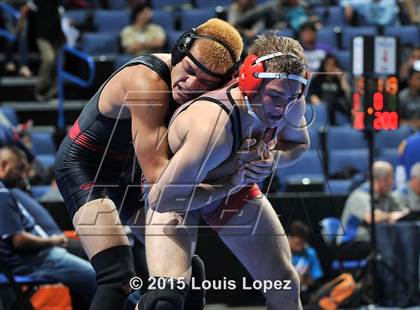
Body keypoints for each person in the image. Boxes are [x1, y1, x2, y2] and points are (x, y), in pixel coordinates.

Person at [55, 18, 244, 310]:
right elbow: (161, 177)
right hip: (87, 165)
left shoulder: (204, 94)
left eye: (205, 83)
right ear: (180, 52)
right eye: (190, 71)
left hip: (132, 170)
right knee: (118, 276)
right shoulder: (148, 81)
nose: (190, 84)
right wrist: (231, 180)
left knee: (185, 271)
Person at [140, 33, 310, 309]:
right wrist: (231, 182)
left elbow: (299, 144)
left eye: (292, 97)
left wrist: (271, 159)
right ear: (250, 82)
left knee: (284, 285)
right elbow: (161, 200)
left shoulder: (291, 100)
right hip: (175, 193)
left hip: (230, 187)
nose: (282, 108)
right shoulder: (214, 128)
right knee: (166, 298)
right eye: (275, 96)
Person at [0, 146, 96, 308]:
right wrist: (52, 241)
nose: (23, 175)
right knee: (103, 280)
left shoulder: (6, 192)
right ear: (3, 165)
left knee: (94, 269)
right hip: (38, 259)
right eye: (19, 169)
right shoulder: (2, 194)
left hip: (39, 255)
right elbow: (19, 240)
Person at [337, 161, 408, 260]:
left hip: (374, 240)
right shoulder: (359, 196)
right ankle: (382, 275)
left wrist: (401, 214)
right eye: (391, 178)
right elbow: (371, 217)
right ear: (382, 180)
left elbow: (404, 213)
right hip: (352, 243)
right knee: (385, 246)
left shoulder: (387, 197)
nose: (393, 182)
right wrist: (390, 216)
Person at [17, 0, 64, 101]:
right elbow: (25, 10)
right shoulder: (37, 1)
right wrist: (19, 28)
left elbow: (60, 17)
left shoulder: (59, 3)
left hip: (55, 36)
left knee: (58, 63)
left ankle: (52, 92)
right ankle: (40, 88)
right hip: (42, 36)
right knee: (49, 58)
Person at [307, 54, 351, 125]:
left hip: (336, 109)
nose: (331, 68)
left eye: (333, 65)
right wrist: (319, 104)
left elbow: (347, 97)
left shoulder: (339, 80)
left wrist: (342, 79)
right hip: (320, 107)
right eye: (328, 65)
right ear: (324, 66)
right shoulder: (317, 79)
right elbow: (311, 95)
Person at [288, 221, 323, 304]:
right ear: (289, 238)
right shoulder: (280, 254)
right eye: (297, 244)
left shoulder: (310, 253)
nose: (300, 248)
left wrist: (306, 279)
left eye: (302, 244)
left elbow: (315, 279)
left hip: (304, 294)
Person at [399, 61, 420, 129]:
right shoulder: (402, 97)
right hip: (406, 132)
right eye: (418, 78)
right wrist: (415, 123)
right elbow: (397, 121)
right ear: (410, 80)